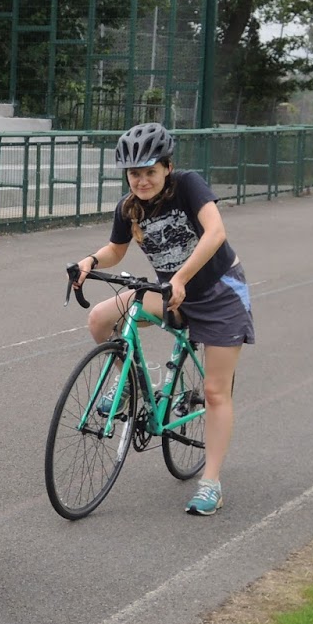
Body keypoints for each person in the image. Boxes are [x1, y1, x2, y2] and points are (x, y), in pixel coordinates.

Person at [70, 122, 254, 516]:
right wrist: (90, 260)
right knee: (101, 319)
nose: (142, 180)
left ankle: (211, 483)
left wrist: (182, 277)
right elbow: (117, 251)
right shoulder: (128, 206)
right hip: (171, 293)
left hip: (220, 293)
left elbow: (215, 232)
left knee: (216, 390)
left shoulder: (189, 185)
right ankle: (128, 385)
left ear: (167, 167)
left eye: (149, 171)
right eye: (134, 173)